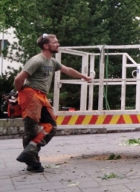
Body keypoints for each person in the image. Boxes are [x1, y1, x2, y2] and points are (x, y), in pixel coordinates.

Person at [13, 33, 93, 172]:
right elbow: (18, 79)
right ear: (46, 46)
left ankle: (30, 151)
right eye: (55, 42)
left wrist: (83, 77)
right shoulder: (37, 60)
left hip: (42, 96)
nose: (58, 44)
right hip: (31, 95)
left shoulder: (52, 61)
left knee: (51, 126)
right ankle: (32, 163)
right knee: (31, 130)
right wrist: (22, 94)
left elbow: (67, 69)